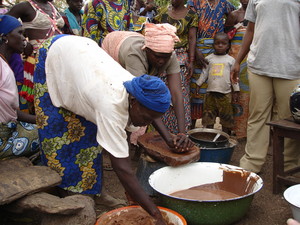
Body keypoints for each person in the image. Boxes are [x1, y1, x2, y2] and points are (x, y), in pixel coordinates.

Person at [34, 34, 173, 225]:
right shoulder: (111, 104)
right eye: (147, 117)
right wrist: (156, 214)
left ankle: (94, 192)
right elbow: (122, 168)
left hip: (84, 55)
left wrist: (169, 139)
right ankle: (66, 193)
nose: (146, 122)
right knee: (58, 133)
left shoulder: (137, 88)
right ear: (134, 101)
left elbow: (152, 111)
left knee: (91, 134)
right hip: (56, 54)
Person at [231, 0, 300, 173]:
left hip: (290, 67)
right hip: (259, 65)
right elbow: (251, 30)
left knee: (289, 119)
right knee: (257, 115)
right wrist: (238, 60)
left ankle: (289, 166)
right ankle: (252, 162)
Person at [102, 23, 194, 150]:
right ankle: (119, 148)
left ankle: (132, 145)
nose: (161, 61)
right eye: (157, 57)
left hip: (131, 41)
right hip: (113, 49)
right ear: (146, 50)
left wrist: (182, 132)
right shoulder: (134, 55)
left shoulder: (169, 55)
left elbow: (177, 94)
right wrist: (168, 138)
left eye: (165, 58)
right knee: (122, 106)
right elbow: (144, 99)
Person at [7, 0, 64, 112]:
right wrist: (24, 43)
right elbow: (4, 24)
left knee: (59, 96)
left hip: (60, 58)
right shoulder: (24, 6)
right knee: (41, 99)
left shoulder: (53, 7)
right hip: (39, 59)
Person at [187, 0, 235, 127]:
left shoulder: (224, 4)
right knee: (195, 89)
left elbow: (235, 16)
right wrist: (195, 50)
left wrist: (228, 33)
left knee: (215, 86)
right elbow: (189, 25)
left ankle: (212, 125)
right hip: (197, 48)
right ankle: (191, 128)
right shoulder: (193, 2)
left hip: (216, 49)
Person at [153, 0, 198, 133]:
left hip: (181, 58)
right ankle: (161, 130)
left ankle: (180, 130)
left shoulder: (191, 15)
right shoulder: (162, 13)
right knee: (161, 93)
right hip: (161, 57)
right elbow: (155, 34)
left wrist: (191, 60)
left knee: (179, 94)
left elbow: (191, 38)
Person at [0, 15, 39, 159]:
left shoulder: (4, 63)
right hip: (3, 138)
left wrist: (41, 120)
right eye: (20, 33)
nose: (24, 39)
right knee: (51, 136)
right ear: (5, 37)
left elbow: (12, 112)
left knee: (44, 128)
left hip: (10, 128)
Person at [195, 32, 239, 134]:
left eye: (223, 43)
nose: (220, 45)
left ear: (228, 46)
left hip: (225, 93)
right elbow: (204, 73)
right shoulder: (209, 59)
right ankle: (208, 135)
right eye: (217, 43)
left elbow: (234, 77)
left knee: (226, 116)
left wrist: (236, 90)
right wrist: (198, 84)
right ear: (213, 45)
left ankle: (225, 137)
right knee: (208, 115)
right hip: (210, 93)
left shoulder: (231, 60)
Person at [225, 0, 249, 138]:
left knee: (249, 96)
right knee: (236, 94)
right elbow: (226, 38)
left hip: (251, 60)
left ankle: (248, 131)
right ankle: (236, 130)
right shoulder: (234, 15)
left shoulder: (257, 13)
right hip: (235, 59)